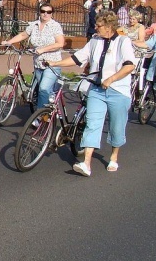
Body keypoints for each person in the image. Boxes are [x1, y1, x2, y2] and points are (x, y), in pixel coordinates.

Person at [46, 10, 135, 176]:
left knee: (116, 126)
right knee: (92, 124)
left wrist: (111, 79)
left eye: (99, 25)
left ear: (109, 27)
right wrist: (55, 63)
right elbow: (77, 58)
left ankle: (114, 156)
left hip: (118, 91)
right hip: (96, 90)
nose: (96, 28)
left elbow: (129, 65)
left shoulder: (123, 42)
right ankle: (86, 163)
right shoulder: (94, 41)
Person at [0, 3, 65, 109]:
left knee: (43, 89)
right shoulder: (34, 25)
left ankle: (40, 116)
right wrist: (9, 42)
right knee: (43, 91)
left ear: (52, 14)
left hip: (52, 64)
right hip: (38, 63)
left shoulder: (55, 26)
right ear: (39, 12)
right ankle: (49, 109)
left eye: (48, 12)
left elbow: (60, 43)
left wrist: (42, 49)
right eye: (43, 11)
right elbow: (23, 35)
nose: (45, 14)